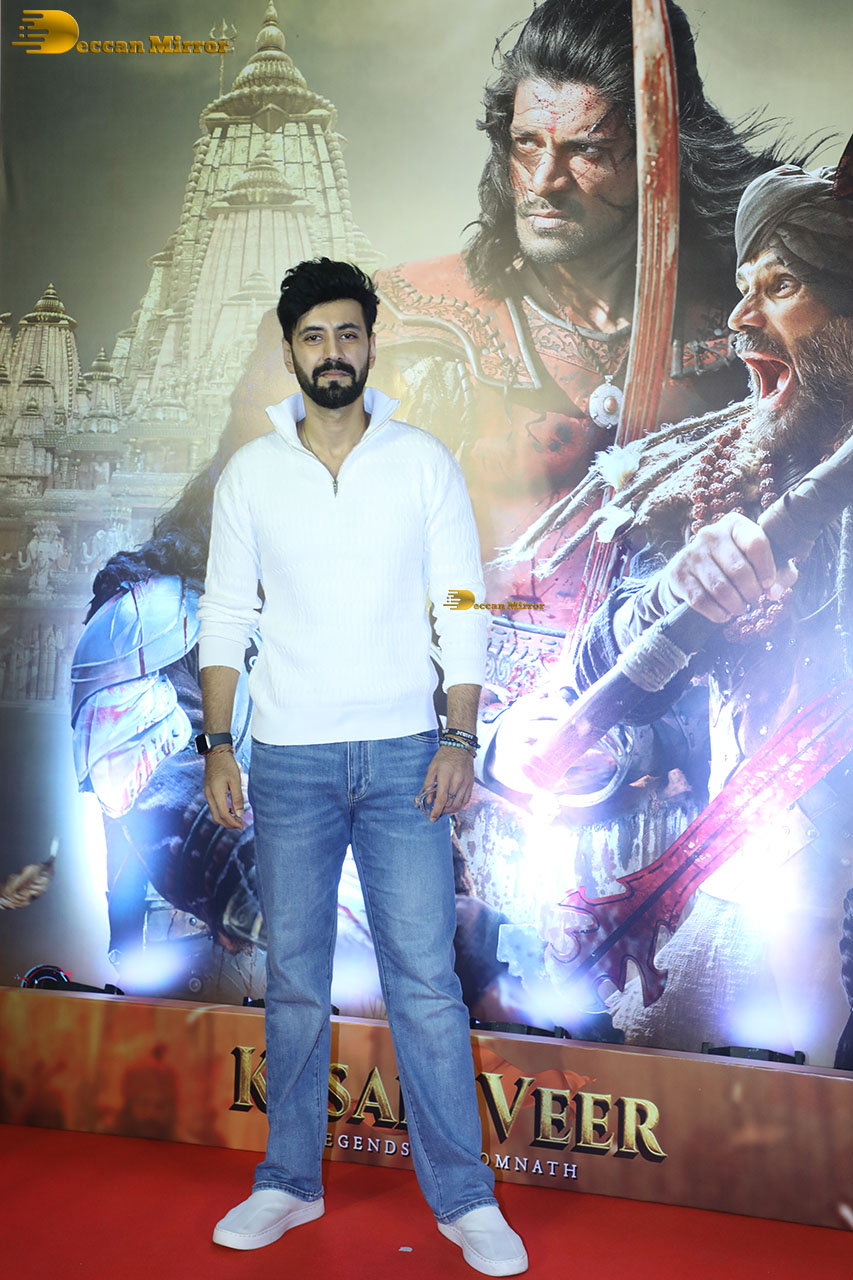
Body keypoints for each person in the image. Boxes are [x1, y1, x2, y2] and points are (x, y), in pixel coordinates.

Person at [198, 258, 528, 1274]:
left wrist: (458, 737)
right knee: (295, 982)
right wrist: (219, 742)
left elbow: (460, 602)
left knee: (425, 983)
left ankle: (465, 1199)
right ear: (290, 350)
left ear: (370, 343)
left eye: (348, 333)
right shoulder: (252, 473)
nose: (332, 352)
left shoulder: (421, 461)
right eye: (313, 336)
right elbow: (226, 614)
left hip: (404, 761)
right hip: (287, 759)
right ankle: (287, 1182)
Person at [374, 0, 797, 635]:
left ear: (660, 158)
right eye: (526, 143)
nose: (544, 180)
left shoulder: (756, 330)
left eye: (588, 150)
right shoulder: (402, 328)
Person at [565, 156, 853, 1068]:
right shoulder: (702, 477)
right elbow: (590, 672)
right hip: (746, 894)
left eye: (781, 285)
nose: (740, 317)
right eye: (742, 287)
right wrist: (672, 591)